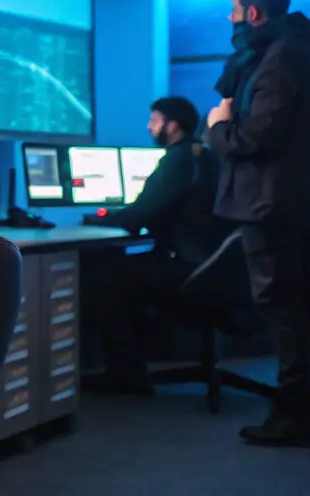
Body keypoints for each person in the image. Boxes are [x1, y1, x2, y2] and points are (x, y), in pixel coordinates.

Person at [206, 0, 310, 448]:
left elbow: (258, 135)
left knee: (286, 311)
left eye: (233, 10)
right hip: (296, 202)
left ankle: (295, 418)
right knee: (308, 308)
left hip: (272, 203)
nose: (229, 19)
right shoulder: (301, 50)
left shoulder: (281, 55)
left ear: (252, 14)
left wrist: (217, 130)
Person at [81, 97, 222, 395]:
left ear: (172, 126)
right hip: (210, 265)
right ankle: (131, 369)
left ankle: (125, 374)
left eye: (154, 120)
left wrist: (96, 222)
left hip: (185, 265)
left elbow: (140, 214)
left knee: (104, 283)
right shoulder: (204, 157)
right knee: (124, 273)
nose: (149, 126)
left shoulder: (177, 160)